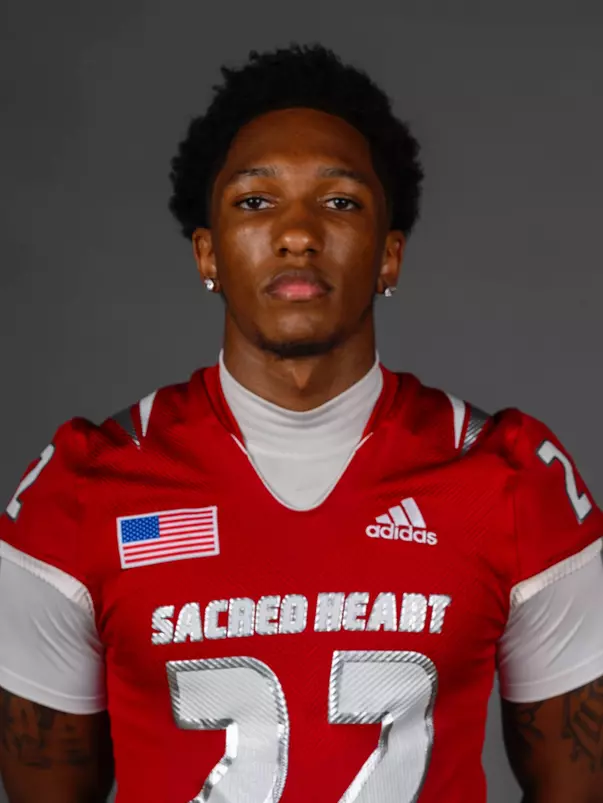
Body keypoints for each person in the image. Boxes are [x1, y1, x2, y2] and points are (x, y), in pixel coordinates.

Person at [0, 43, 602, 803]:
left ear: (389, 257)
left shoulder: (512, 476)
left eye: (340, 201)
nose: (297, 233)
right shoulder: (79, 487)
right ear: (206, 252)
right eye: (255, 200)